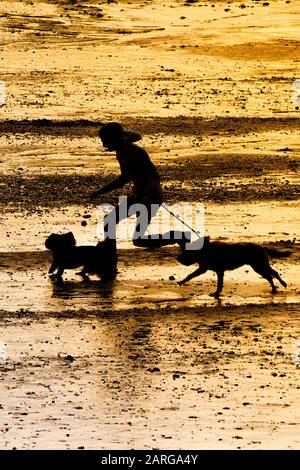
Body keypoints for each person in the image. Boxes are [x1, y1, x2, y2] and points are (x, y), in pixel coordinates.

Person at [91, 122, 190, 248]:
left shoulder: (134, 153)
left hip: (150, 196)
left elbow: (151, 176)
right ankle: (110, 255)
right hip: (140, 195)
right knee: (109, 221)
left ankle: (179, 237)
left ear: (113, 139)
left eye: (105, 141)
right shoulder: (122, 152)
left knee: (138, 240)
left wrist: (145, 197)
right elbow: (124, 179)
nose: (104, 145)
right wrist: (100, 191)